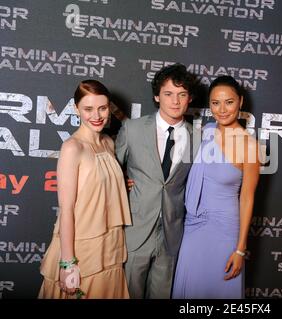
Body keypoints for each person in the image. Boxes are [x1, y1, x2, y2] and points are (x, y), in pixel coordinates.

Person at [38, 80, 132, 299]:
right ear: (76, 109)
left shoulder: (108, 142)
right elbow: (67, 209)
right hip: (82, 247)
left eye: (102, 108)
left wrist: (119, 184)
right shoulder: (73, 147)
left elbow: (100, 186)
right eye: (88, 109)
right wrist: (68, 263)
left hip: (111, 245)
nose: (96, 115)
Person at [172, 75, 261, 299]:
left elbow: (247, 199)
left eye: (229, 102)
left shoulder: (250, 146)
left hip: (224, 230)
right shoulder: (205, 132)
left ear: (240, 101)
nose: (222, 110)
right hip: (193, 227)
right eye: (215, 103)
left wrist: (240, 249)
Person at [115, 63, 197, 299]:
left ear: (189, 98)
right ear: (156, 96)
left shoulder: (199, 138)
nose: (175, 101)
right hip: (135, 229)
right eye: (168, 94)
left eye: (182, 95)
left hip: (172, 234)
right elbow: (109, 173)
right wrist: (123, 183)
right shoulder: (132, 130)